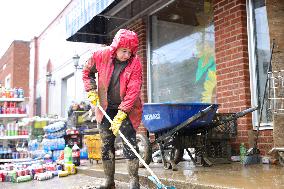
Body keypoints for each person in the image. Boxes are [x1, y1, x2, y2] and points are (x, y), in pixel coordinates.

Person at [82, 29, 143, 189]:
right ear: (116, 47)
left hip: (127, 109)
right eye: (124, 51)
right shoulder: (100, 55)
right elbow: (87, 71)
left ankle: (133, 181)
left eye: (130, 52)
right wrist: (91, 89)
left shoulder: (135, 63)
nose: (127, 55)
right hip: (105, 107)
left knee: (129, 143)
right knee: (106, 144)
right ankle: (109, 181)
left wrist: (123, 112)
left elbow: (133, 89)